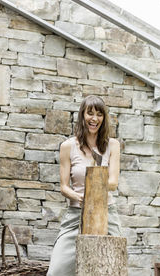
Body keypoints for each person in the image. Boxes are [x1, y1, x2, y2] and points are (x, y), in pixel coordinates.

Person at [47, 95, 122, 276]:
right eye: (90, 113)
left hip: (106, 213)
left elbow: (112, 183)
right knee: (57, 271)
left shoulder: (113, 145)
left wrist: (94, 192)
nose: (94, 119)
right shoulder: (68, 146)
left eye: (99, 114)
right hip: (76, 215)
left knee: (113, 269)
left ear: (104, 118)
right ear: (82, 116)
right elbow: (64, 186)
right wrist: (79, 197)